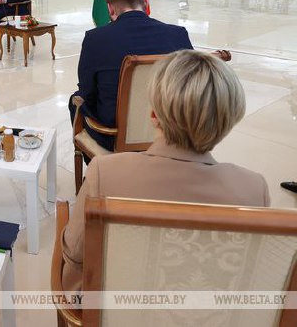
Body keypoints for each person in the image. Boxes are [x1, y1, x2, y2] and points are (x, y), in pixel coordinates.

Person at [61, 50, 270, 292]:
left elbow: (74, 255)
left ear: (153, 115)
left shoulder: (105, 173)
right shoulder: (254, 190)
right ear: (229, 121)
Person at [70, 0, 193, 150]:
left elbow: (87, 91)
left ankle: (98, 165)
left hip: (113, 135)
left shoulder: (95, 39)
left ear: (110, 9)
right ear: (146, 3)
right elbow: (191, 85)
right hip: (169, 130)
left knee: (75, 100)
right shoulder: (178, 34)